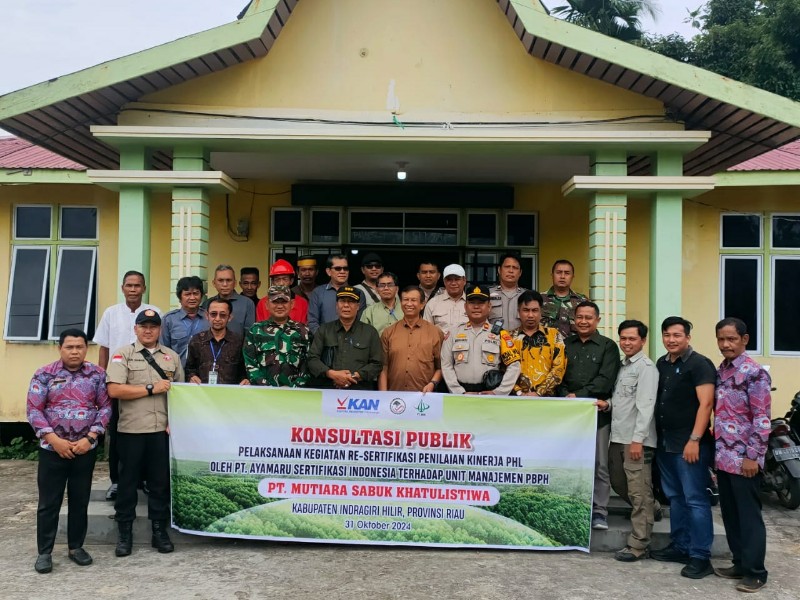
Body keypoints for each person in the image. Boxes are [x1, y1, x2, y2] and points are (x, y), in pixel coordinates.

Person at [26, 329, 111, 574]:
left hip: (84, 448)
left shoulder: (97, 375)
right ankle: (45, 552)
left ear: (86, 348)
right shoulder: (44, 374)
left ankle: (76, 547)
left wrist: (91, 437)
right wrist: (54, 440)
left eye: (79, 347)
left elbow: (105, 408)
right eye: (69, 347)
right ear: (60, 348)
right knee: (49, 503)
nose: (75, 351)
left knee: (79, 500)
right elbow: (34, 410)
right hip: (53, 449)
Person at [106, 309, 184, 557]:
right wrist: (151, 388)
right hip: (131, 431)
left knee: (160, 484)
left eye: (153, 326)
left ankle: (159, 532)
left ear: (160, 329)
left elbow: (179, 395)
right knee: (127, 484)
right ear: (135, 329)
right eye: (143, 326)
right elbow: (115, 391)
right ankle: (124, 533)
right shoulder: (122, 355)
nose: (148, 330)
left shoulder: (171, 357)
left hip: (161, 431)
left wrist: (176, 421)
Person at [650, 316, 716, 579]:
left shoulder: (700, 364)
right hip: (665, 441)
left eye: (677, 335)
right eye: (667, 335)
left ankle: (701, 556)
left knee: (696, 500)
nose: (671, 340)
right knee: (675, 497)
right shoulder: (662, 363)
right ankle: (680, 545)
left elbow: (706, 404)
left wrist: (695, 439)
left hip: (690, 444)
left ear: (688, 337)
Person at [712, 317, 771, 592]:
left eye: (731, 339)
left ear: (744, 340)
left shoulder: (754, 373)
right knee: (731, 514)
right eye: (722, 339)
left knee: (749, 516)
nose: (726, 344)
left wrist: (753, 456)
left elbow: (762, 419)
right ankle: (739, 562)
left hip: (744, 460)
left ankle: (756, 572)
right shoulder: (721, 370)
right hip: (723, 457)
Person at [93, 270, 160, 502]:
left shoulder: (154, 312)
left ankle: (144, 480)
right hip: (118, 382)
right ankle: (116, 481)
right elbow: (103, 347)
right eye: (129, 285)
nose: (133, 289)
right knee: (118, 434)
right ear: (122, 288)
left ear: (144, 288)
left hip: (147, 381)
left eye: (137, 285)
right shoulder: (111, 313)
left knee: (147, 434)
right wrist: (102, 376)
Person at [557, 301, 620, 531]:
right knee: (567, 463)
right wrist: (565, 394)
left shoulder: (608, 346)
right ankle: (572, 506)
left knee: (599, 464)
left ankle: (600, 511)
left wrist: (578, 395)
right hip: (567, 414)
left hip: (596, 414)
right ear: (574, 319)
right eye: (580, 317)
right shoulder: (564, 345)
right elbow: (556, 374)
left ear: (597, 320)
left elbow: (606, 379)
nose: (583, 321)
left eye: (589, 317)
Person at [607, 320, 659, 562]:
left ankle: (638, 544)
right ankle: (653, 508)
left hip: (635, 440)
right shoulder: (623, 366)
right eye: (623, 338)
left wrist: (638, 439)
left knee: (638, 493)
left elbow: (646, 406)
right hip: (617, 436)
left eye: (632, 339)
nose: (627, 343)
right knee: (618, 483)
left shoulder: (646, 368)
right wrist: (605, 404)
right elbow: (620, 400)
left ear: (643, 341)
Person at [440, 285, 520, 396]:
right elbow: (446, 365)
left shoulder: (500, 334)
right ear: (465, 306)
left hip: (490, 395)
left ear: (489, 306)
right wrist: (458, 392)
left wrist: (499, 392)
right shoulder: (453, 333)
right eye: (472, 303)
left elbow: (514, 365)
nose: (476, 307)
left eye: (481, 303)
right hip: (460, 395)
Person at [307, 286, 383, 390]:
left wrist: (354, 377)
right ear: (336, 306)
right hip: (328, 391)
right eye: (342, 301)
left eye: (351, 302)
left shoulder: (370, 332)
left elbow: (377, 363)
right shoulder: (324, 330)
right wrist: (332, 374)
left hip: (360, 393)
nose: (346, 305)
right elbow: (312, 359)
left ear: (358, 306)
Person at [379, 285, 444, 392]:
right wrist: (383, 395)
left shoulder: (435, 332)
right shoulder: (388, 332)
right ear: (400, 303)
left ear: (422, 304)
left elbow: (440, 367)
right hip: (394, 397)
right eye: (405, 300)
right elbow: (383, 367)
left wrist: (433, 383)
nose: (409, 304)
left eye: (413, 300)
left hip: (424, 397)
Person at [244, 285, 312, 387]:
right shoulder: (255, 331)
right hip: (263, 394)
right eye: (275, 302)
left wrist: (294, 387)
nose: (280, 306)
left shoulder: (303, 332)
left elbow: (308, 365)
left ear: (292, 304)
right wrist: (267, 388)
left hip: (296, 395)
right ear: (267, 305)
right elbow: (250, 364)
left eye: (284, 302)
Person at [511, 290, 565, 397]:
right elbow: (504, 368)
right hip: (516, 399)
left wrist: (539, 392)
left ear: (541, 312)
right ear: (519, 312)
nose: (530, 315)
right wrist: (519, 392)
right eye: (526, 310)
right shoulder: (509, 338)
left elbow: (559, 368)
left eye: (535, 310)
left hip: (547, 399)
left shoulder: (554, 335)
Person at [185, 298, 249, 385]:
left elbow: (243, 371)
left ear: (229, 317)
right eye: (213, 314)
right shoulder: (196, 340)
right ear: (207, 316)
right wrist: (192, 376)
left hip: (231, 394)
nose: (217, 319)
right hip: (202, 393)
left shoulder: (239, 341)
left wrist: (245, 380)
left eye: (222, 315)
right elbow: (189, 369)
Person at [307, 255, 365, 334]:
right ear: (328, 271)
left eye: (345, 268)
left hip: (351, 343)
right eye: (338, 268)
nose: (342, 271)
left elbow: (360, 321)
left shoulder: (358, 293)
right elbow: (313, 322)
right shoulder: (318, 293)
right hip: (324, 342)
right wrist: (324, 339)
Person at [159, 276, 209, 367]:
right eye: (187, 294)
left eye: (196, 293)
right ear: (179, 297)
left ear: (201, 296)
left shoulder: (209, 318)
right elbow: (163, 350)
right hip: (177, 371)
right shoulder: (169, 319)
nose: (192, 298)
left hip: (204, 372)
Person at [204, 264, 255, 337]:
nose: (225, 284)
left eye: (228, 280)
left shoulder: (247, 303)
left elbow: (249, 334)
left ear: (235, 283)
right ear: (214, 283)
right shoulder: (207, 304)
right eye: (220, 280)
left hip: (239, 347)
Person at [542, 259, 588, 339]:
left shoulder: (583, 301)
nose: (562, 276)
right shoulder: (539, 299)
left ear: (572, 276)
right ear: (552, 275)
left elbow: (590, 327)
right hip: (546, 348)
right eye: (559, 272)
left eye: (567, 273)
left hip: (574, 349)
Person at [256, 259, 309, 324]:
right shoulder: (263, 303)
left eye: (285, 279)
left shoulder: (302, 303)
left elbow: (303, 329)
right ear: (272, 282)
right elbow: (260, 328)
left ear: (291, 281)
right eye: (277, 280)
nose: (281, 283)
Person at [423, 264, 467, 332]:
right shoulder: (432, 303)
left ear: (464, 280)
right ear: (444, 281)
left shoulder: (472, 303)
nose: (453, 283)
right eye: (449, 280)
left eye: (457, 279)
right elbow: (426, 331)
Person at [489, 253, 526, 331]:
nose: (511, 271)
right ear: (499, 270)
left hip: (519, 341)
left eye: (515, 268)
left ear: (520, 273)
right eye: (507, 267)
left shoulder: (527, 295)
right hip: (494, 340)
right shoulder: (488, 294)